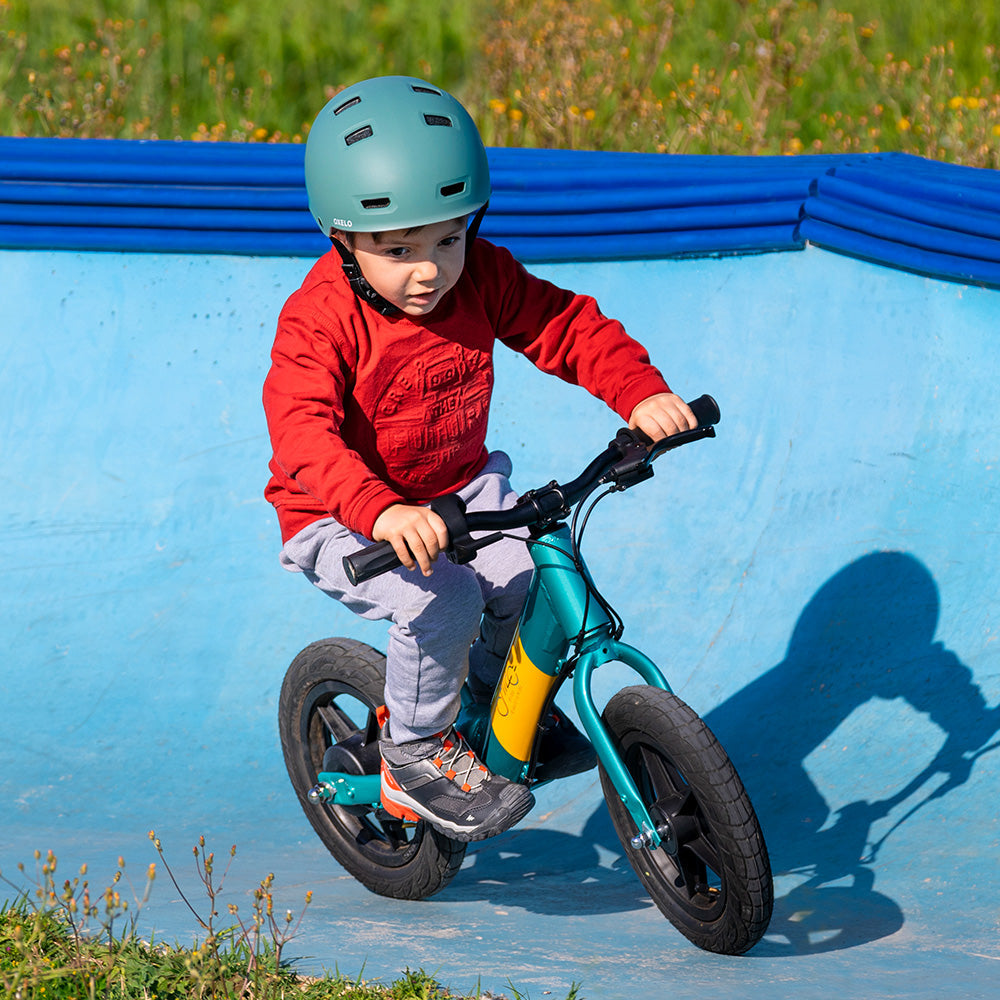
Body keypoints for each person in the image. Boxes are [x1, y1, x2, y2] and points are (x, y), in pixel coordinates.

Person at [263, 75, 696, 844]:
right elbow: (301, 435)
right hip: (340, 515)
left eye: (448, 238)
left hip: (460, 491)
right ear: (343, 239)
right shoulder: (320, 319)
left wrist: (639, 394)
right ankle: (414, 752)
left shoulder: (484, 276)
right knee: (445, 601)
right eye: (399, 250)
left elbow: (565, 326)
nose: (429, 270)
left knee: (531, 581)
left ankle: (500, 711)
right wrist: (382, 511)